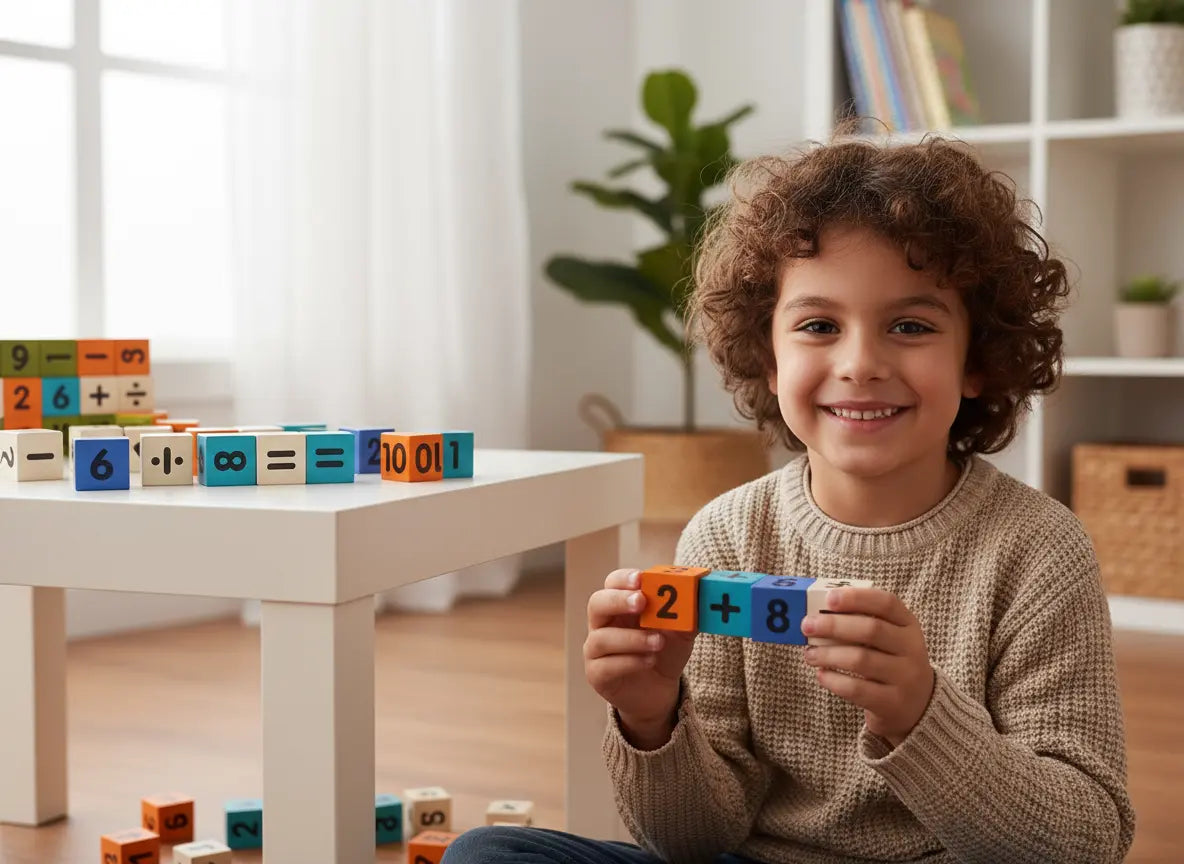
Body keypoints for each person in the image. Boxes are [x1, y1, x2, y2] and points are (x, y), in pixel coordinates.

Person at [442, 130, 1136, 863]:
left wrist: (921, 714)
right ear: (768, 359)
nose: (860, 363)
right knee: (487, 854)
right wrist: (653, 720)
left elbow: (1083, 841)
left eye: (910, 325)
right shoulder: (727, 534)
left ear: (976, 359)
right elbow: (693, 840)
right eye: (817, 326)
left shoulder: (1038, 549)